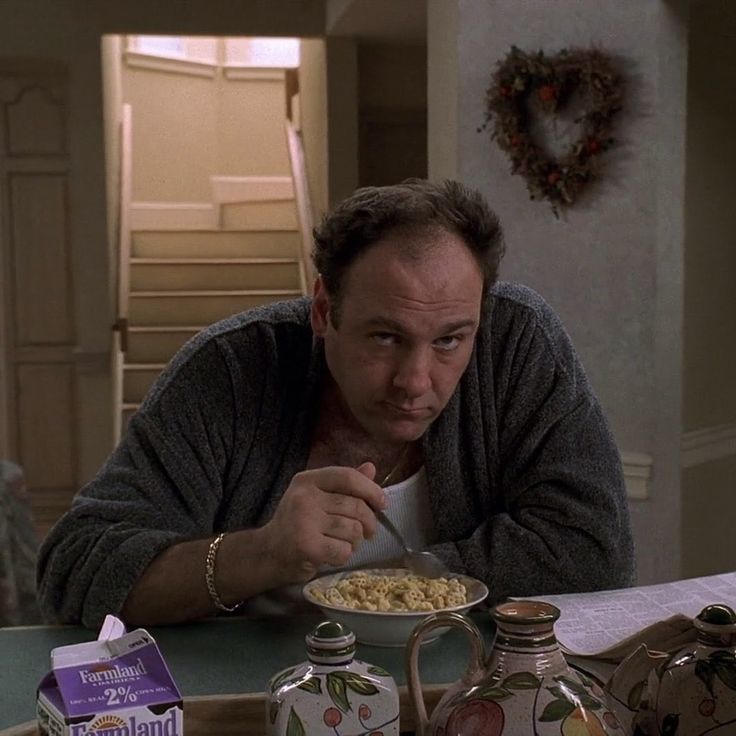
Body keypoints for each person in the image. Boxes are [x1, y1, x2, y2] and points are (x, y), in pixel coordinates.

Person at [37, 179, 635, 628]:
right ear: (325, 311)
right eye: (385, 337)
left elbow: (593, 548)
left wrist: (391, 587)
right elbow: (76, 567)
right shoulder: (230, 370)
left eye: (450, 340)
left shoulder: (517, 341)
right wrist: (263, 554)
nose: (415, 381)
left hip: (463, 692)